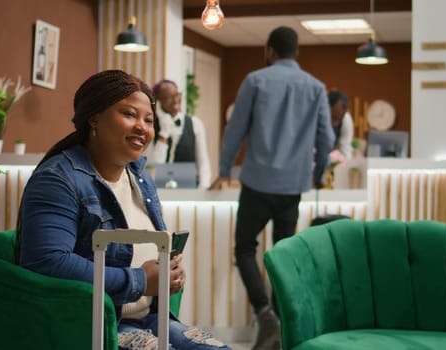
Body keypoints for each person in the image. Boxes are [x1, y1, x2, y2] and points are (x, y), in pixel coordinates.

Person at [15, 70, 230, 350]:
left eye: (149, 120)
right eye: (129, 114)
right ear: (94, 118)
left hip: (150, 318)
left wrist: (169, 272)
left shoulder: (140, 177)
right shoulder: (58, 178)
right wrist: (141, 280)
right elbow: (47, 261)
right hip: (95, 325)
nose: (142, 127)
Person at [209, 26, 335, 350]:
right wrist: (319, 174)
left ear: (270, 51)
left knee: (244, 248)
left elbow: (235, 130)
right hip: (292, 187)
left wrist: (224, 170)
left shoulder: (255, 80)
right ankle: (279, 327)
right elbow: (327, 138)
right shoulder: (316, 87)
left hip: (257, 183)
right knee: (282, 254)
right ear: (297, 52)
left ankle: (265, 315)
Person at [145, 79, 212, 188]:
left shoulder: (196, 124)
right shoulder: (151, 126)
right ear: (159, 101)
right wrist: (164, 134)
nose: (175, 100)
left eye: (177, 95)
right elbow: (153, 166)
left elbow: (203, 162)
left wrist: (203, 189)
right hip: (159, 190)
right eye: (168, 97)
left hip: (189, 190)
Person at [328, 90, 354, 160]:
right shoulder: (316, 118)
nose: (335, 123)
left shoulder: (346, 119)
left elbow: (345, 145)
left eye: (339, 119)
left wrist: (346, 166)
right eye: (333, 117)